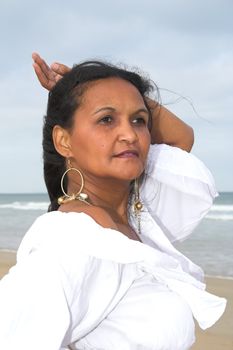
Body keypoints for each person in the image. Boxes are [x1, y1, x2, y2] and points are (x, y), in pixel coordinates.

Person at [0, 53, 226, 350]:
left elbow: (181, 140)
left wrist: (105, 87)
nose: (129, 134)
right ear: (64, 141)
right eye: (106, 119)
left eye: (139, 120)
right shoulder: (71, 245)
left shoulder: (129, 216)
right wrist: (88, 89)